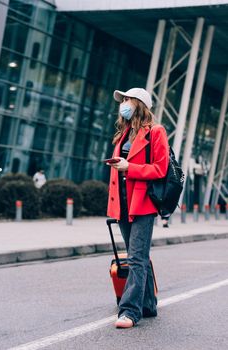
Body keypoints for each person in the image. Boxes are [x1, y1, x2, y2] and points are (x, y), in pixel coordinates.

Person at [106, 87, 169, 328]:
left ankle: (130, 312)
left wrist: (128, 168)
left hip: (142, 203)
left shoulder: (156, 132)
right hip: (122, 203)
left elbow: (160, 169)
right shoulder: (124, 133)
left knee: (136, 258)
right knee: (139, 257)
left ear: (139, 103)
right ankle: (149, 305)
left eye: (127, 99)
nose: (123, 103)